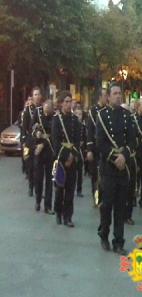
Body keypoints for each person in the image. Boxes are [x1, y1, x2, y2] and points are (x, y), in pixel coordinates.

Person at [96, 83, 136, 254]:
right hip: (109, 168)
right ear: (108, 96)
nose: (118, 96)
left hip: (123, 167)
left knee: (120, 207)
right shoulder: (102, 116)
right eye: (114, 93)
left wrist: (124, 156)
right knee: (107, 206)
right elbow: (100, 143)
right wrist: (114, 158)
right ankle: (104, 234)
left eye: (120, 93)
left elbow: (132, 141)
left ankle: (118, 241)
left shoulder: (127, 116)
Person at [52, 91, 81, 227]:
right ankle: (58, 212)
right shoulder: (57, 119)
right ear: (61, 103)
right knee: (60, 188)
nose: (69, 104)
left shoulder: (75, 120)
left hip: (72, 158)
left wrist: (72, 155)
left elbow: (77, 140)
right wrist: (65, 156)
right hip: (61, 159)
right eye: (66, 102)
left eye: (70, 102)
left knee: (70, 189)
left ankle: (68, 216)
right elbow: (55, 141)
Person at [31, 100, 55, 214]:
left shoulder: (55, 116)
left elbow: (56, 135)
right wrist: (36, 134)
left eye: (48, 111)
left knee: (50, 179)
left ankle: (48, 206)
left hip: (49, 150)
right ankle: (37, 201)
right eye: (45, 111)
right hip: (38, 151)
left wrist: (43, 144)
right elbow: (31, 127)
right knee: (38, 178)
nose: (46, 113)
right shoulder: (37, 113)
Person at [86, 88, 108, 207]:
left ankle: (104, 196)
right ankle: (96, 198)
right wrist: (89, 149)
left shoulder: (107, 111)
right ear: (100, 97)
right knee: (95, 175)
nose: (106, 98)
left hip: (104, 147)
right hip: (95, 147)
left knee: (104, 173)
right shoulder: (93, 111)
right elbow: (90, 131)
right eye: (105, 96)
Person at [22, 87, 42, 196]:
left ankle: (39, 188)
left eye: (39, 94)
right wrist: (24, 142)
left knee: (39, 166)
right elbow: (24, 127)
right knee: (31, 165)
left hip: (40, 140)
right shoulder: (28, 110)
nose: (37, 97)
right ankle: (31, 186)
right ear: (32, 96)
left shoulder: (43, 109)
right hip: (30, 140)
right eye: (35, 95)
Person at [74, 108, 87, 197]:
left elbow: (85, 139)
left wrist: (85, 151)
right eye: (77, 114)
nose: (79, 116)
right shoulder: (72, 125)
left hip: (81, 150)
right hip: (74, 150)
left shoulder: (83, 126)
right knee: (73, 172)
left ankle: (79, 189)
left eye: (80, 114)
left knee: (80, 171)